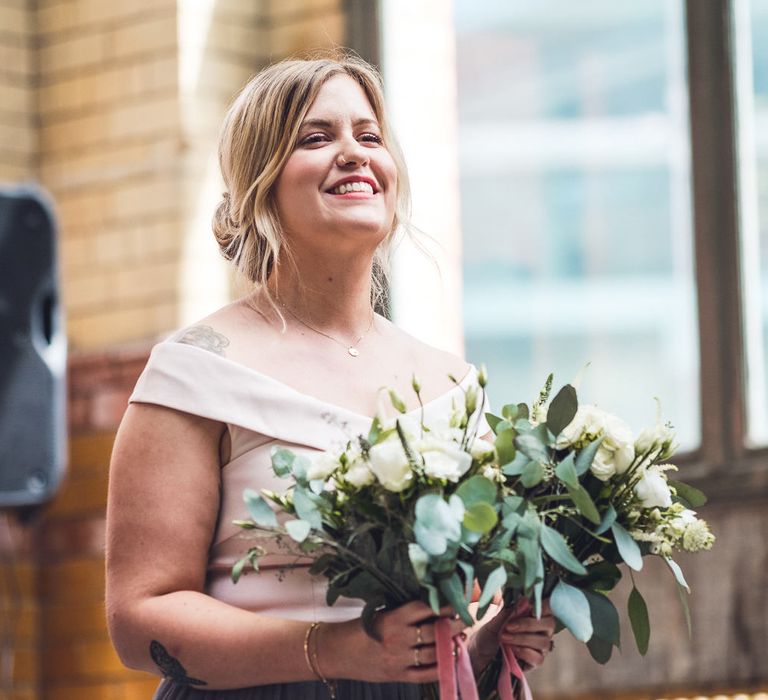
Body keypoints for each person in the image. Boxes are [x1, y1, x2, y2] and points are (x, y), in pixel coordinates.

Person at [105, 53, 556, 699]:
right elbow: (138, 619)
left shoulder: (456, 388)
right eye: (318, 138)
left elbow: (451, 628)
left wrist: (491, 645)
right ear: (262, 181)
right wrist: (335, 650)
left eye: (368, 136)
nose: (354, 153)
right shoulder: (197, 371)